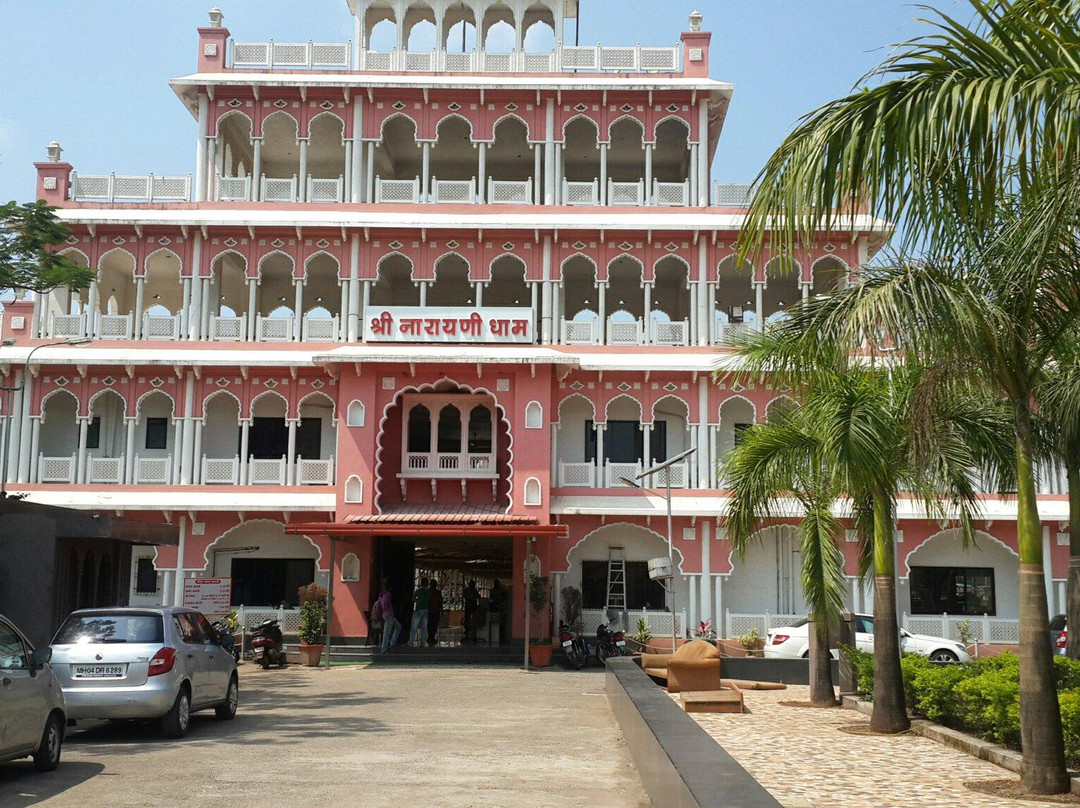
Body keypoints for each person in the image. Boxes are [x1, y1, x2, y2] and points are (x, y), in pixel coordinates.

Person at [373, 579, 400, 654]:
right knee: (387, 632)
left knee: (398, 627)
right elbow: (386, 603)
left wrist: (380, 614)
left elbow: (378, 607)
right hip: (389, 614)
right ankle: (384, 649)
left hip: (386, 614)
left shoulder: (381, 595)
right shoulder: (388, 594)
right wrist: (387, 607)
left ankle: (392, 643)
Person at [408, 577, 430, 647]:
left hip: (418, 610)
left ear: (421, 583)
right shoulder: (429, 592)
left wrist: (418, 601)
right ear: (427, 583)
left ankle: (410, 642)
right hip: (426, 610)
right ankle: (423, 642)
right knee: (424, 627)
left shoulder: (418, 591)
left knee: (414, 627)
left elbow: (413, 600)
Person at [489, 579, 508, 645]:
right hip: (494, 607)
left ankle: (502, 633)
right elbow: (491, 598)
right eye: (495, 583)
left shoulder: (502, 591)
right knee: (494, 621)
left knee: (501, 621)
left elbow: (505, 598)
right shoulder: (492, 590)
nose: (496, 585)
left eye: (497, 583)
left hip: (501, 607)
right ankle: (494, 633)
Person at [426, 578, 442, 646]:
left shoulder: (429, 592)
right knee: (434, 624)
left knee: (430, 624)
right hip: (435, 610)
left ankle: (431, 637)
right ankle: (432, 637)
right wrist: (442, 609)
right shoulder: (437, 592)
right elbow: (440, 601)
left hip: (430, 610)